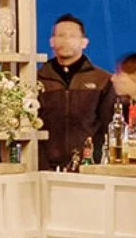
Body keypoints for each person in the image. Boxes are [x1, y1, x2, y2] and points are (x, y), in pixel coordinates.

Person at [38, 14, 113, 170]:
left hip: (89, 165)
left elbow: (109, 126)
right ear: (51, 41)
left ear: (84, 42)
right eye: (60, 35)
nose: (66, 40)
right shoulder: (37, 79)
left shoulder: (102, 80)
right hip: (44, 167)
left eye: (72, 36)